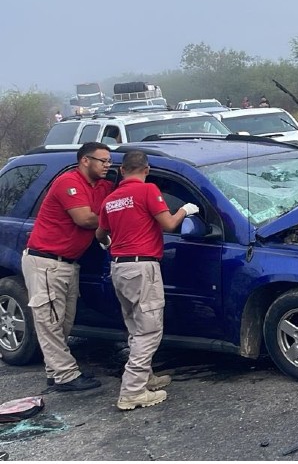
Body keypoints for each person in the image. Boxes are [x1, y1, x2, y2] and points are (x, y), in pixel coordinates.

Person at [95, 150, 197, 410]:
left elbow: (100, 233)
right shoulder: (148, 190)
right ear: (147, 170)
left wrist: (110, 242)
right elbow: (169, 224)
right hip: (143, 268)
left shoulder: (112, 198)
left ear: (122, 171)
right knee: (149, 330)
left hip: (119, 268)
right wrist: (185, 210)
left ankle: (146, 377)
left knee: (135, 327)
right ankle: (132, 392)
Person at [20, 142, 114, 392]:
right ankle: (65, 375)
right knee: (49, 320)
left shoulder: (103, 187)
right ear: (85, 160)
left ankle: (55, 370)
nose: (107, 165)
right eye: (102, 161)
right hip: (46, 262)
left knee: (63, 322)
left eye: (109, 162)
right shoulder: (68, 182)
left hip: (69, 263)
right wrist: (111, 220)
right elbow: (84, 219)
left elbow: (117, 203)